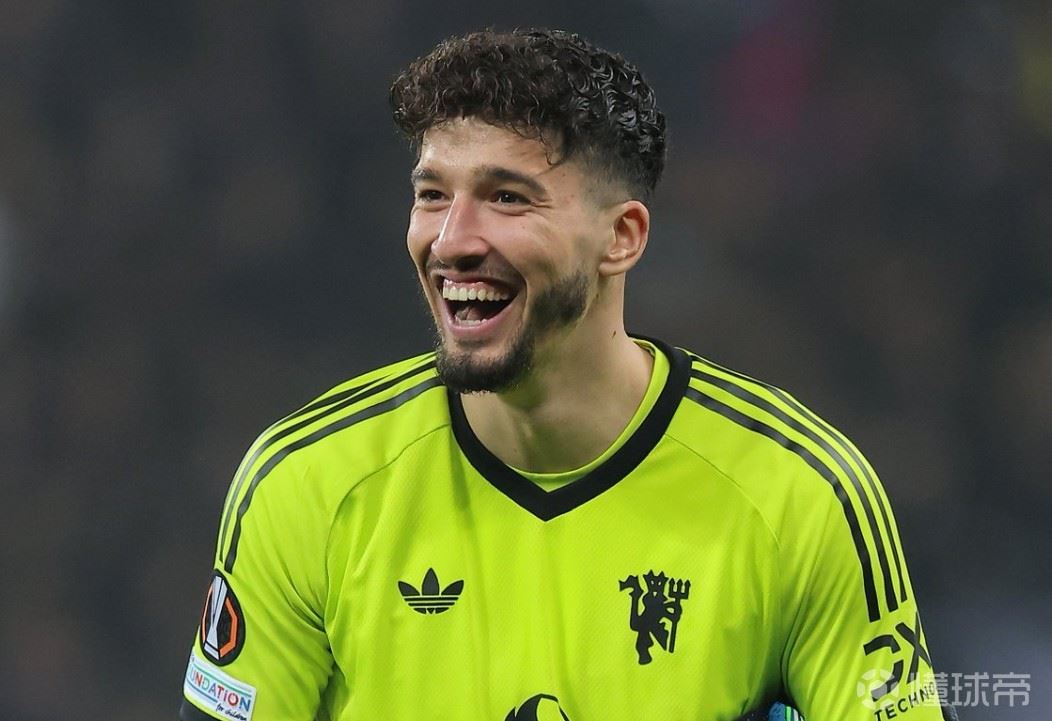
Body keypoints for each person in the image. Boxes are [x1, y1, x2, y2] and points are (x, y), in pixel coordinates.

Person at [178, 28, 952, 721]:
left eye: (507, 198)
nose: (452, 241)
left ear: (622, 237)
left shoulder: (801, 496)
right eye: (433, 196)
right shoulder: (308, 482)